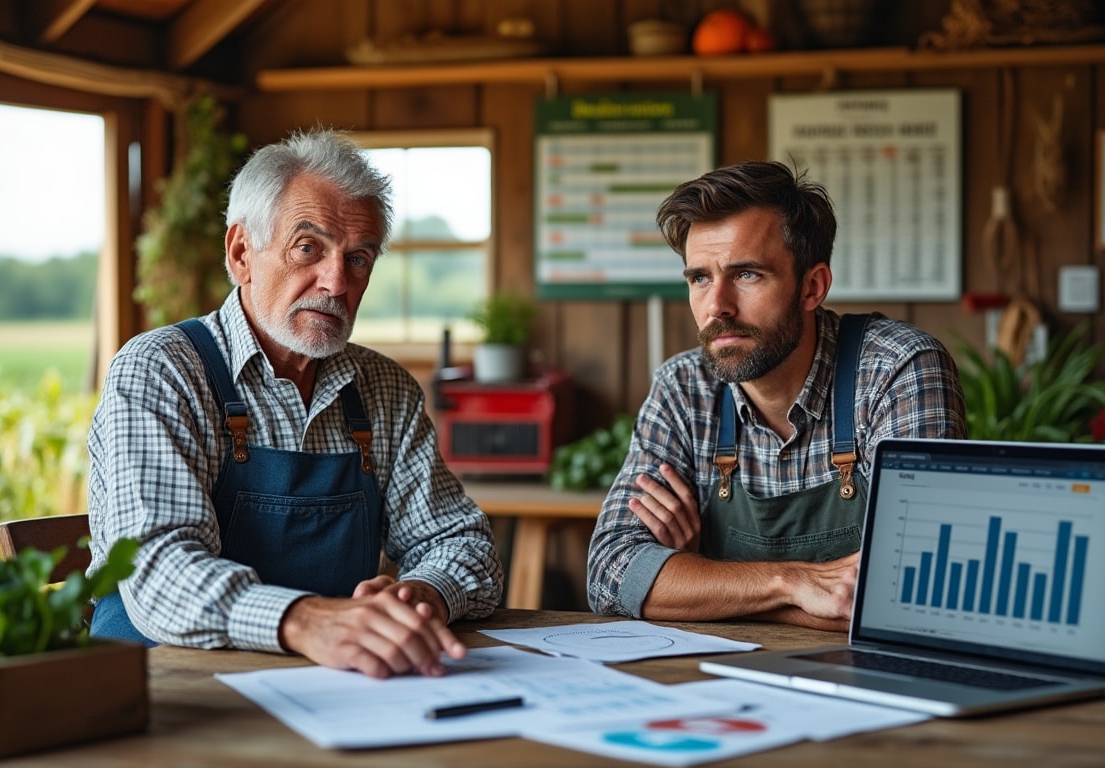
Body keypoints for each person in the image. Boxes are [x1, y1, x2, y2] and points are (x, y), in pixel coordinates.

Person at [85, 128, 503, 676]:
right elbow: (159, 572)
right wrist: (307, 621)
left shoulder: (385, 391)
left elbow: (464, 543)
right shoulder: (162, 371)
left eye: (358, 259)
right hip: (161, 693)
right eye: (309, 248)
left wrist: (423, 595)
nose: (336, 281)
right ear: (241, 254)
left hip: (327, 687)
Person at [587, 160, 966, 630]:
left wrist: (701, 583)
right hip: (720, 682)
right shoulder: (683, 389)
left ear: (812, 287)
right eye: (700, 278)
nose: (716, 306)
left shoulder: (897, 369)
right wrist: (790, 583)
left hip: (878, 683)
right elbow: (611, 574)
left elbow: (920, 582)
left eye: (746, 275)